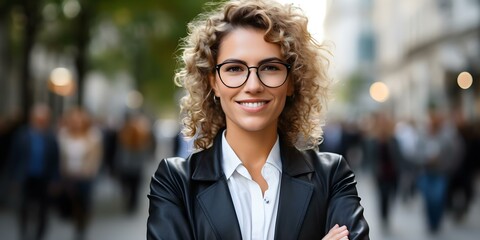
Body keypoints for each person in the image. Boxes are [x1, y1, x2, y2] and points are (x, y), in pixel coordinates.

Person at [147, 0, 369, 239]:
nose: (253, 86)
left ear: (292, 81)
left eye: (270, 68)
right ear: (214, 82)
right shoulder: (174, 182)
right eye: (234, 69)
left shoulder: (332, 176)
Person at [9, 104, 59, 240]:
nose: (41, 121)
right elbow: (14, 157)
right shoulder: (22, 135)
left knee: (43, 208)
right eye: (38, 118)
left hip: (44, 177)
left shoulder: (51, 137)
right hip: (25, 176)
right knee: (23, 206)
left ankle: (39, 234)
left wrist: (55, 179)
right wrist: (13, 178)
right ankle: (24, 232)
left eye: (44, 118)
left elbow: (55, 160)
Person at [57, 107, 102, 240]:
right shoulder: (64, 135)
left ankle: (81, 227)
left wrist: (90, 170)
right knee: (72, 202)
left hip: (85, 176)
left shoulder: (93, 135)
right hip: (69, 175)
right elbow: (60, 156)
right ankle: (76, 222)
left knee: (84, 202)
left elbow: (96, 157)